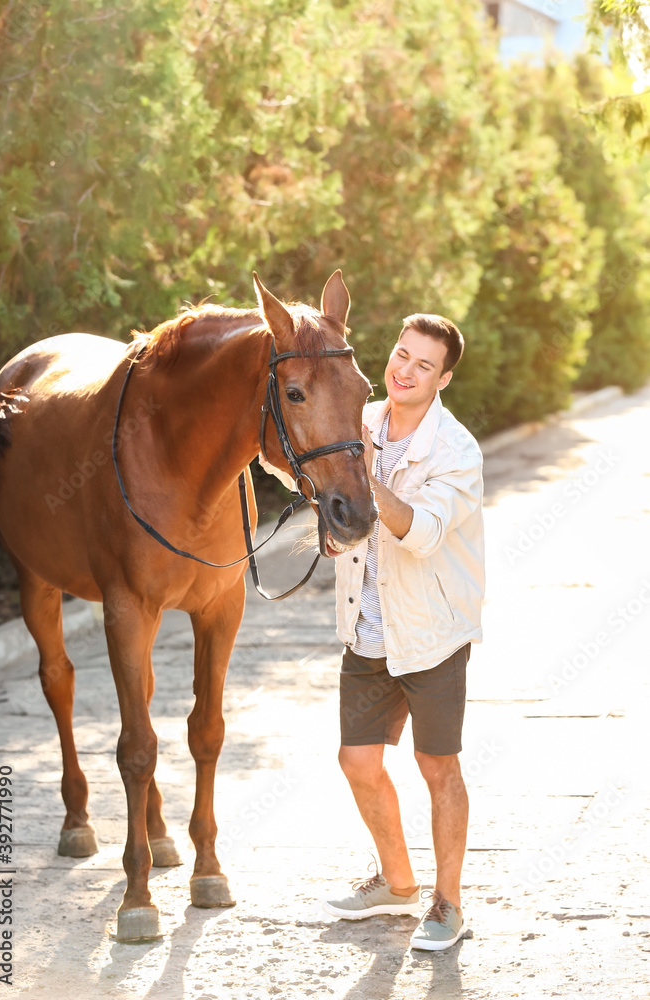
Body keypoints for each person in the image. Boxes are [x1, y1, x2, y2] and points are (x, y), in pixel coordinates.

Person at [263, 312, 484, 951]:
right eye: (400, 354)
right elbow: (309, 466)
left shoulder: (456, 450)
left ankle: (447, 903)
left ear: (442, 380)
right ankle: (396, 881)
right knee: (356, 761)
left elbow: (423, 531)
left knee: (436, 766)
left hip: (432, 629)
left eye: (423, 365)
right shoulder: (355, 419)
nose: (405, 370)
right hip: (367, 624)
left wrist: (358, 476)